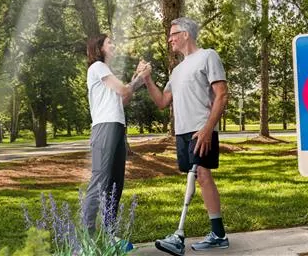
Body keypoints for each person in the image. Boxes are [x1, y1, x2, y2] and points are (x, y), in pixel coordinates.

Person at [140, 17, 230, 255]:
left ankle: (180, 234)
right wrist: (148, 80)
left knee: (200, 174)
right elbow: (162, 102)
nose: (169, 39)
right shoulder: (177, 70)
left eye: (173, 34)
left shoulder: (208, 56)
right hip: (182, 131)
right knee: (200, 177)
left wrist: (208, 128)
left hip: (201, 128)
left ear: (186, 34)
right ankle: (219, 234)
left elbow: (221, 95)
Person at [82, 34, 148, 236]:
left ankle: (110, 236)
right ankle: (88, 239)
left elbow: (123, 99)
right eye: (109, 42)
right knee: (100, 180)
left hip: (117, 126)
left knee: (115, 183)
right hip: (105, 127)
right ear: (99, 47)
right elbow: (122, 90)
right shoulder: (97, 67)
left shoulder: (106, 70)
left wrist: (138, 77)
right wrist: (140, 78)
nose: (113, 44)